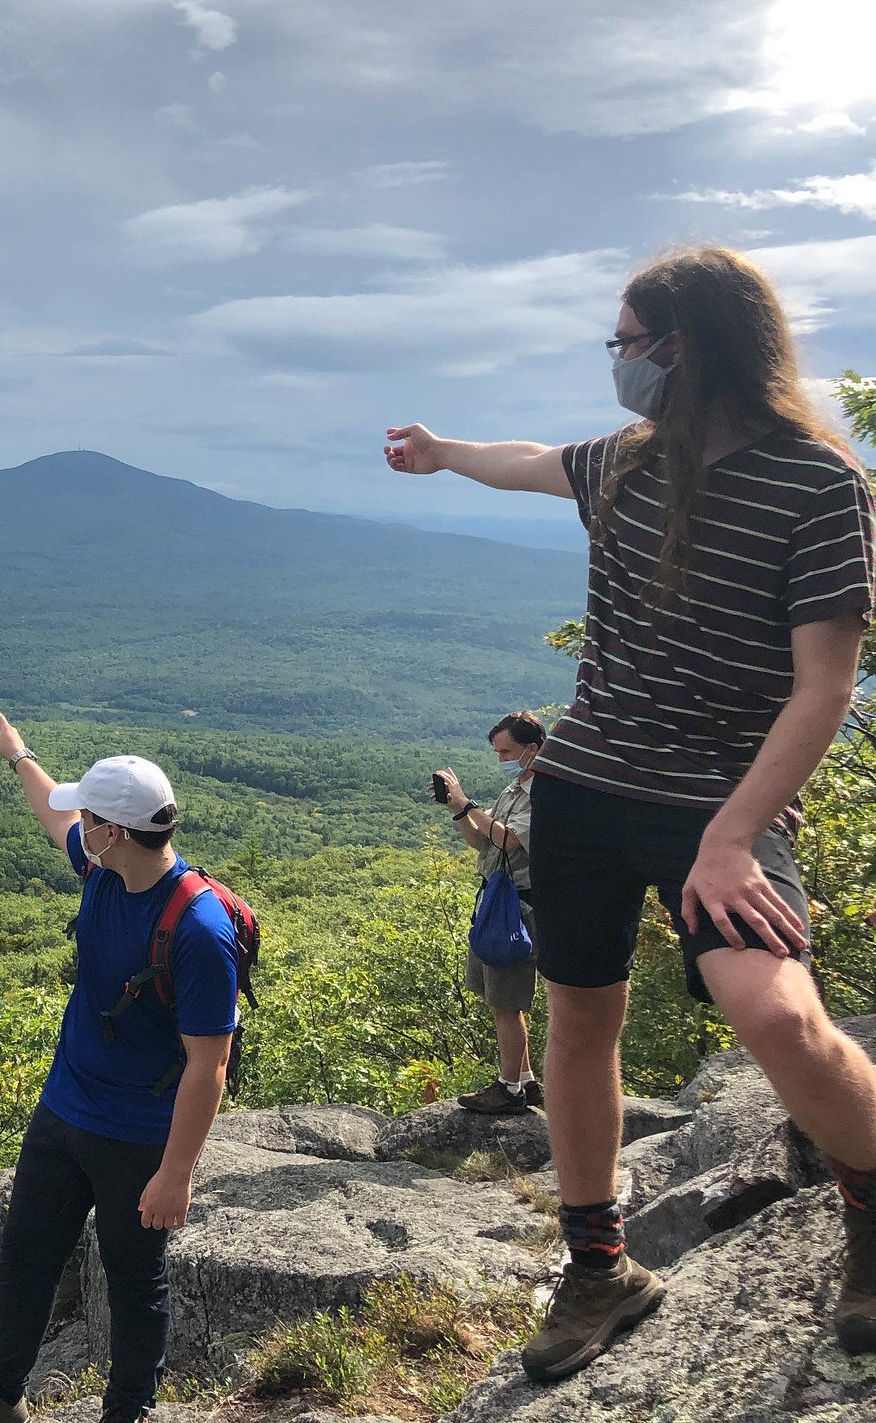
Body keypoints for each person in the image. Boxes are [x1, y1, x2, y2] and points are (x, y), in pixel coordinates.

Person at [385, 246, 876, 1382]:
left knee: (776, 1018)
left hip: (721, 805)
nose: (616, 362)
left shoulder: (817, 484)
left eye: (624, 343)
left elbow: (822, 687)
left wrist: (732, 835)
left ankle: (865, 1188)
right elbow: (534, 462)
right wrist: (438, 454)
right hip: (585, 792)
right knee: (575, 1023)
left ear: (681, 344)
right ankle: (599, 1264)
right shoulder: (629, 462)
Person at [0, 710, 240, 1423]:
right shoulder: (107, 871)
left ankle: (125, 1412)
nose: (80, 826)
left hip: (137, 1135)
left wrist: (176, 1173)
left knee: (135, 1281)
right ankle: (1, 1395)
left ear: (116, 832)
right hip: (65, 1108)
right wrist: (19, 755)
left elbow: (209, 1065)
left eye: (90, 817)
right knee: (27, 1254)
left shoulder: (198, 930)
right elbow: (50, 812)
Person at [434, 712, 546, 1115]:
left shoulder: (542, 792)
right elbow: (484, 844)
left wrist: (469, 803)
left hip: (519, 906)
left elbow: (511, 841)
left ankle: (509, 1088)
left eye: (507, 751)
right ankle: (528, 1082)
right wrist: (459, 810)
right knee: (499, 998)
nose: (501, 758)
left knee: (506, 1001)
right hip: (498, 900)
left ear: (532, 749)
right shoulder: (516, 787)